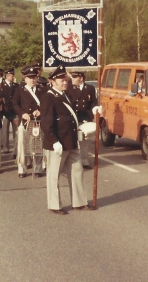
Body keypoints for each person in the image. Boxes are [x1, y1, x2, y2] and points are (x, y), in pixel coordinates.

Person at [40, 65, 93, 215]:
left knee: (77, 172)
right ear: (52, 81)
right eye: (61, 80)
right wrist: (55, 141)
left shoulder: (65, 95)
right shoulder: (48, 97)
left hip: (71, 141)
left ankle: (79, 202)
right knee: (54, 175)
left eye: (65, 79)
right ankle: (55, 205)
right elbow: (47, 123)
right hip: (56, 144)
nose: (65, 82)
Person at [13, 65, 45, 178]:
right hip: (25, 122)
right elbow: (15, 104)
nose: (32, 80)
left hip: (37, 122)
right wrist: (22, 113)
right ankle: (22, 169)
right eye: (29, 78)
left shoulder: (42, 90)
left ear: (37, 78)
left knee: (37, 146)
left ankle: (38, 169)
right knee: (23, 146)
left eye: (34, 77)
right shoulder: (20, 90)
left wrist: (40, 111)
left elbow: (46, 104)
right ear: (25, 79)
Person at [67, 71, 100, 170]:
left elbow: (94, 101)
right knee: (72, 140)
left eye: (74, 77)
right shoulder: (69, 88)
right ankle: (72, 161)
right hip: (73, 117)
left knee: (84, 141)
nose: (72, 79)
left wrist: (95, 109)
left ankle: (84, 160)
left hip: (85, 117)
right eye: (72, 77)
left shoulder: (89, 88)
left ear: (81, 78)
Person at [0, 67, 19, 153]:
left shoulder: (16, 86)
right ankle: (5, 147)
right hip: (5, 111)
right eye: (12, 75)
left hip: (14, 111)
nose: (13, 77)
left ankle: (15, 149)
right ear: (7, 76)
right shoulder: (1, 86)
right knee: (5, 130)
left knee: (16, 131)